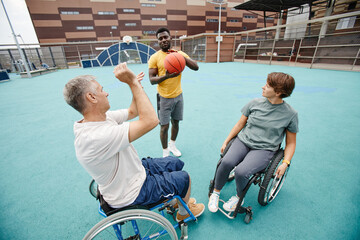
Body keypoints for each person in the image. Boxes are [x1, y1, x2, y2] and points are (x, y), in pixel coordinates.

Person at [63, 63, 204, 222]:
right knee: (184, 178)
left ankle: (175, 200)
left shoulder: (100, 119)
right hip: (131, 192)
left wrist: (135, 86)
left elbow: (133, 111)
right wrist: (132, 83)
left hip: (132, 172)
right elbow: (151, 120)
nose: (106, 93)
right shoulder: (96, 136)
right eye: (102, 90)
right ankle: (183, 215)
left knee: (175, 162)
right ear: (91, 97)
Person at [208, 72, 298, 213]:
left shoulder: (290, 114)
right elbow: (239, 125)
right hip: (243, 141)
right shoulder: (254, 103)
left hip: (264, 149)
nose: (263, 87)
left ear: (278, 92)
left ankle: (239, 197)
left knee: (241, 171)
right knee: (225, 162)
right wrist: (226, 141)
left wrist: (285, 162)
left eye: (267, 86)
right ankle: (216, 192)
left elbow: (291, 143)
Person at [148, 27, 199, 157]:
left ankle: (172, 144)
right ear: (158, 41)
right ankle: (165, 151)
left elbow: (196, 67)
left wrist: (179, 56)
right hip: (163, 98)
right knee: (164, 127)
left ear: (170, 38)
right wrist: (166, 76)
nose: (163, 40)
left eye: (166, 37)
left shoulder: (179, 54)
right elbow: (152, 80)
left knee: (176, 122)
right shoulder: (154, 57)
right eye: (160, 38)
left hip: (178, 96)